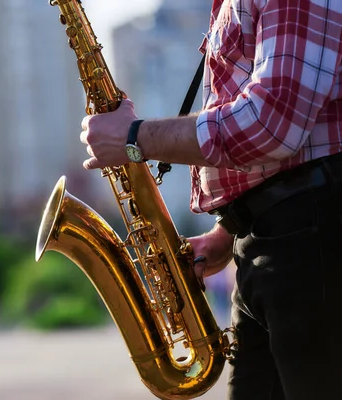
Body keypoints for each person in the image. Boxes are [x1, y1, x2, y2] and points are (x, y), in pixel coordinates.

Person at [80, 1, 342, 399]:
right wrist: (230, 228)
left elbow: (272, 123)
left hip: (311, 240)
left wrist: (135, 138)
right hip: (277, 238)